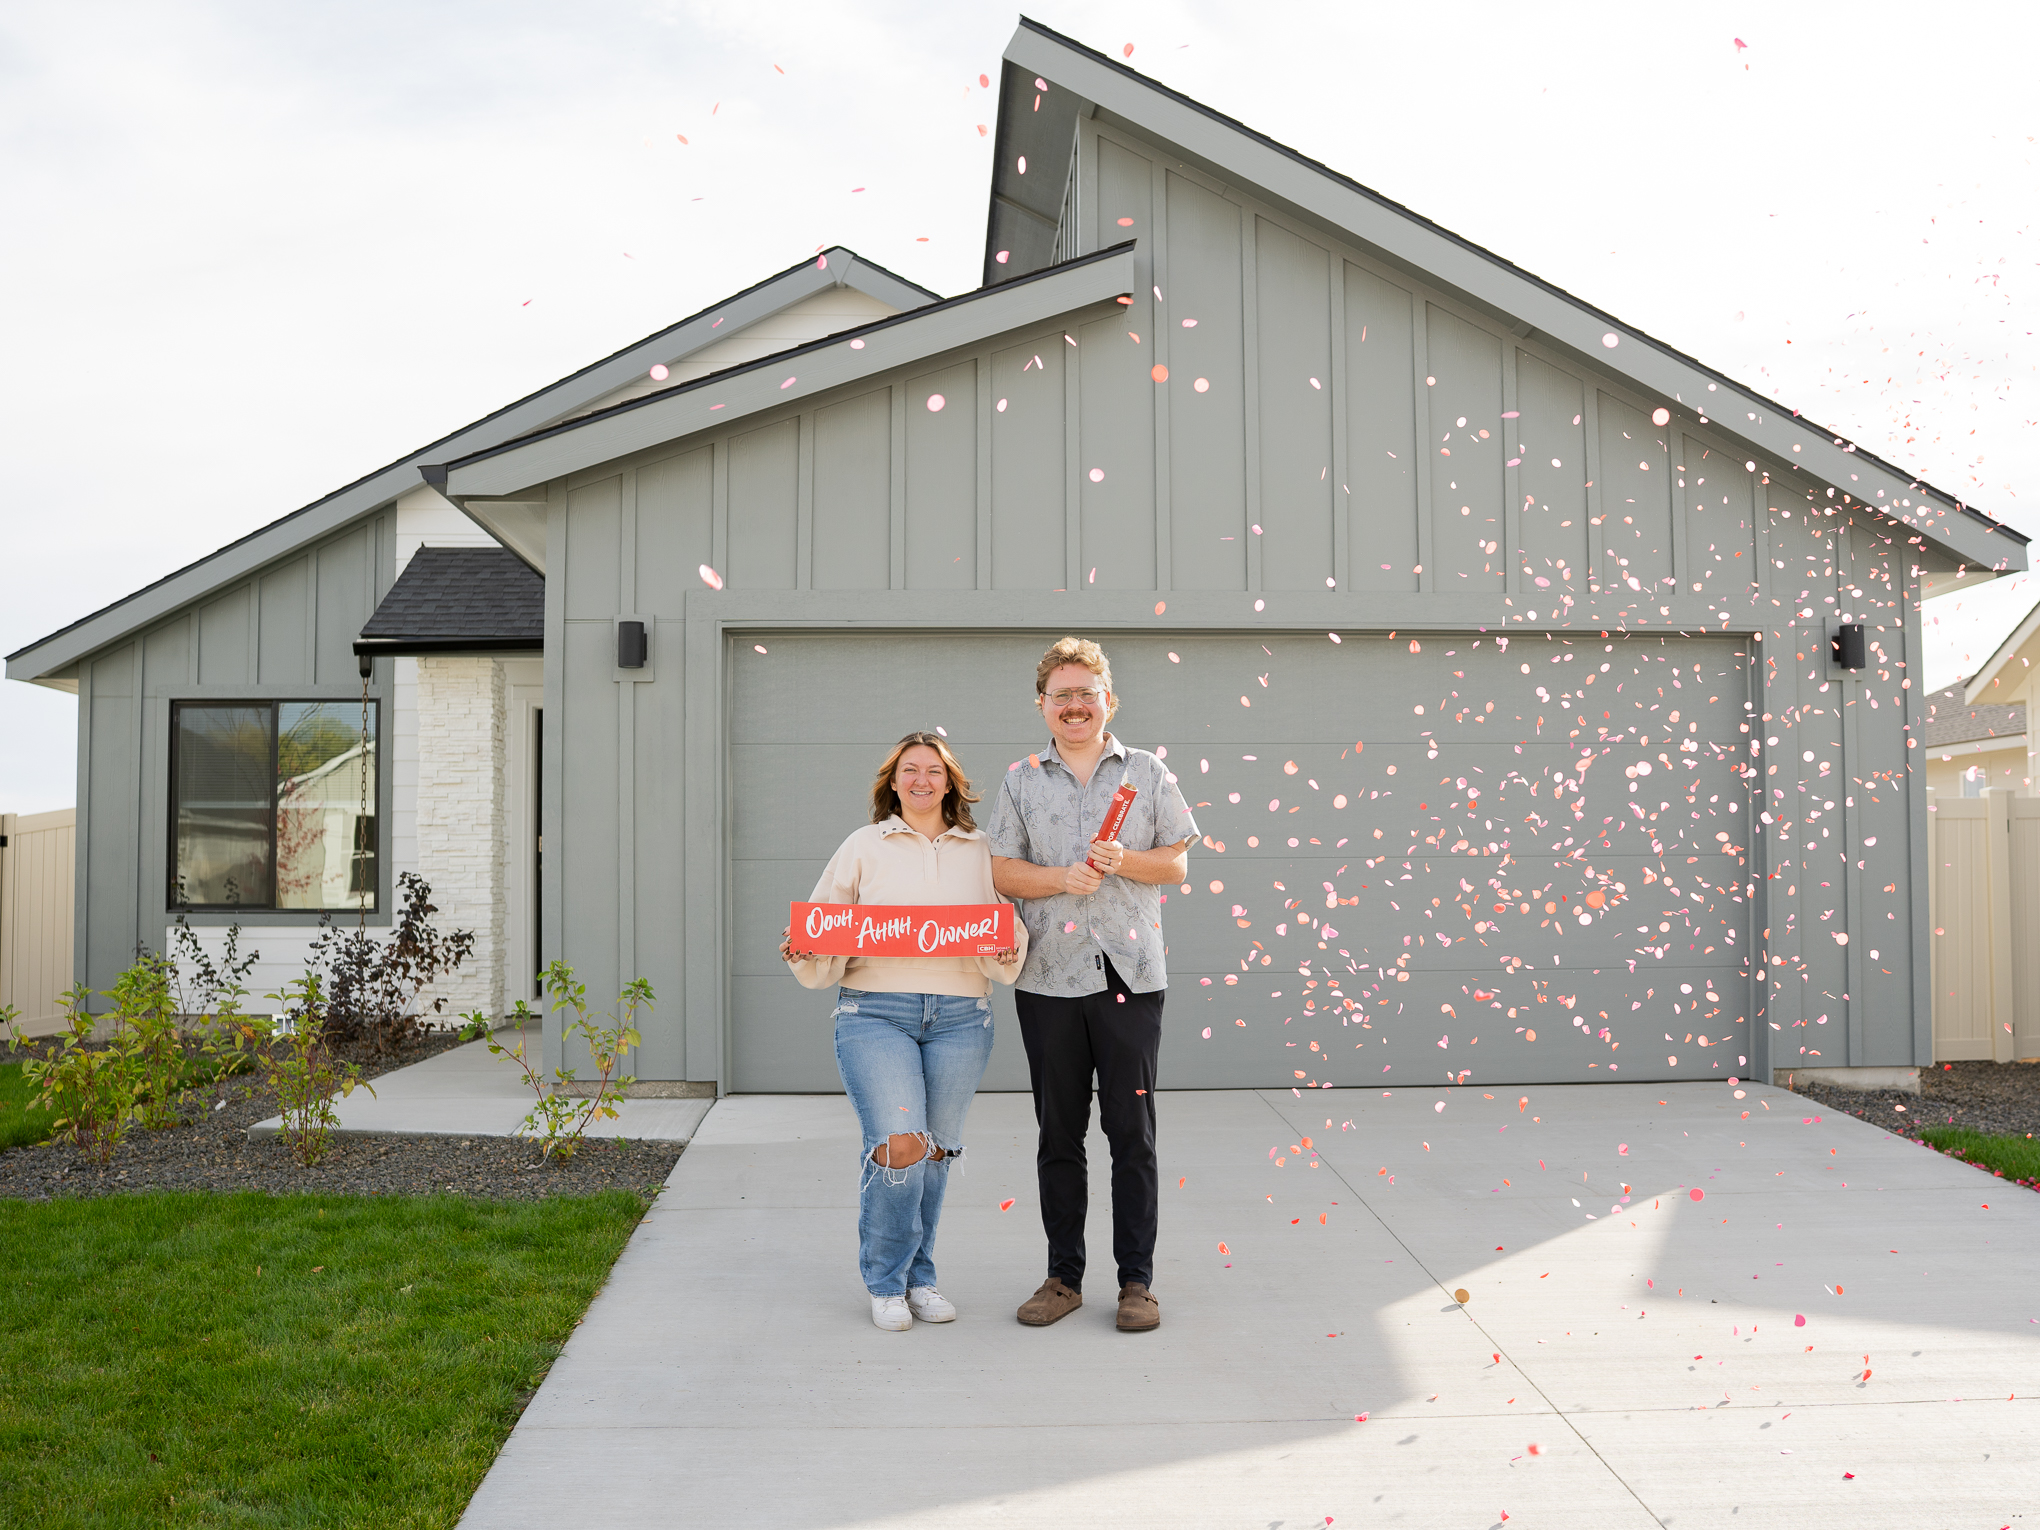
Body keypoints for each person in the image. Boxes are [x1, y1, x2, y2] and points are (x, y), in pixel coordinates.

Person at [987, 638, 1196, 1333]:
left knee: (1131, 1132)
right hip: (1047, 980)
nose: (1075, 706)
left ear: (1109, 699)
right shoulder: (1020, 781)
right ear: (1043, 706)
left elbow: (1176, 865)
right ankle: (1062, 1278)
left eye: (1087, 693)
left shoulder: (1147, 772)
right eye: (1062, 695)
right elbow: (999, 872)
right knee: (1059, 1134)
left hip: (1129, 979)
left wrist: (1127, 860)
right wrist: (1060, 879)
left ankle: (1137, 1283)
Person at [783, 732, 1025, 1332]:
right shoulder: (863, 845)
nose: (922, 780)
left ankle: (922, 1278)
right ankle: (886, 1282)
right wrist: (805, 946)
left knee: (935, 1154)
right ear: (892, 782)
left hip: (962, 1017)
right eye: (909, 770)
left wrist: (1005, 943)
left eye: (934, 771)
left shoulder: (984, 849)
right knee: (900, 1146)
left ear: (952, 783)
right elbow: (824, 926)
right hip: (875, 1014)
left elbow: (1010, 932)